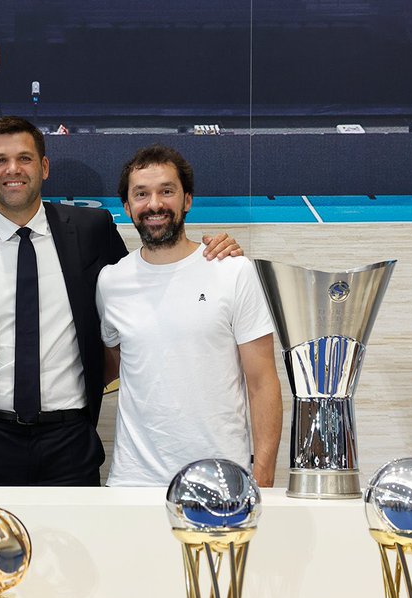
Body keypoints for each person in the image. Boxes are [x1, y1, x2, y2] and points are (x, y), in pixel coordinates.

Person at [0, 116, 242, 486]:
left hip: (69, 441)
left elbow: (145, 284)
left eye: (25, 158)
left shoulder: (92, 230)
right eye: (0, 160)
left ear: (43, 167)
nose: (13, 169)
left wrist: (210, 256)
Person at [97, 145, 282, 487]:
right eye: (141, 194)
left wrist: (263, 477)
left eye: (166, 191)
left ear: (187, 200)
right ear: (127, 207)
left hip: (221, 480)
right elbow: (119, 361)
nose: (154, 204)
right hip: (132, 481)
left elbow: (262, 382)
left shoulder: (233, 271)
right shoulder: (111, 281)